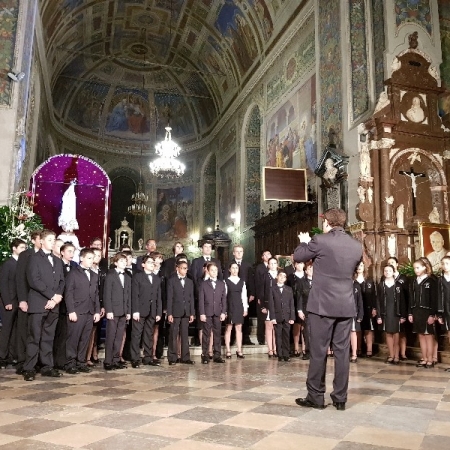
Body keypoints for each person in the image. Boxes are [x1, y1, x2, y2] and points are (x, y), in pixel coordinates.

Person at [294, 208, 362, 411]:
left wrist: (305, 241)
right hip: (345, 305)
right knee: (342, 353)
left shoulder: (320, 240)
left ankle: (316, 396)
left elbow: (298, 256)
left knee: (318, 351)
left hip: (322, 305)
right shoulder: (356, 246)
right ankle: (340, 398)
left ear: (328, 223)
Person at [22, 230, 65, 381]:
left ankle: (47, 366)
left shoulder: (58, 260)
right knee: (34, 337)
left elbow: (61, 281)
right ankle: (29, 368)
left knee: (48, 337)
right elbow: (34, 280)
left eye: (54, 240)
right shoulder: (33, 258)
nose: (53, 243)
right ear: (41, 241)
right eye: (50, 240)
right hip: (38, 303)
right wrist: (51, 295)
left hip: (53, 305)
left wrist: (56, 298)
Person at [64, 248, 101, 374]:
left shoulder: (95, 275)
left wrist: (96, 311)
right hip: (77, 311)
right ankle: (70, 363)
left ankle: (81, 362)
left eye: (93, 258)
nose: (92, 261)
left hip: (90, 311)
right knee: (73, 338)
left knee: (85, 338)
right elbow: (68, 293)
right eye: (89, 258)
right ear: (81, 258)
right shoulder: (73, 273)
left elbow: (96, 295)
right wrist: (71, 311)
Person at [15, 230, 41, 375]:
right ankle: (21, 361)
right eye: (39, 239)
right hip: (27, 299)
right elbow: (20, 279)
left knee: (35, 333)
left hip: (39, 301)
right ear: (34, 240)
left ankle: (34, 361)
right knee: (24, 331)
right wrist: (22, 300)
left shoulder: (45, 256)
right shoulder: (26, 255)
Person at [130, 255, 162, 368]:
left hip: (152, 310)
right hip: (140, 310)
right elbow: (135, 295)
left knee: (148, 335)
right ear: (143, 264)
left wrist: (158, 312)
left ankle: (148, 357)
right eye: (149, 262)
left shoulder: (157, 278)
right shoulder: (137, 277)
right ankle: (135, 358)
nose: (152, 264)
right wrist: (135, 311)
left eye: (153, 263)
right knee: (136, 335)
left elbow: (158, 296)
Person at [0, 238, 27, 369]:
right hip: (9, 302)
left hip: (19, 301)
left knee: (16, 329)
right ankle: (2, 357)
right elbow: (3, 284)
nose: (24, 250)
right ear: (14, 248)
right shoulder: (8, 264)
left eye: (25, 248)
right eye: (21, 247)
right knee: (6, 330)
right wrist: (7, 302)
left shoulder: (23, 263)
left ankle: (12, 355)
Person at [103, 252, 131, 370]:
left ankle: (116, 359)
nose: (123, 263)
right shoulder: (110, 276)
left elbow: (129, 296)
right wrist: (109, 310)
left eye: (125, 261)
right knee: (111, 336)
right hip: (113, 311)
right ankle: (108, 361)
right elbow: (107, 294)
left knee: (119, 336)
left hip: (123, 311)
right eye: (121, 261)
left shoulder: (128, 277)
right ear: (115, 263)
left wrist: (128, 311)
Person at [408, 258, 438, 368]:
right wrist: (410, 313)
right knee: (420, 335)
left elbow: (434, 299)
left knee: (428, 336)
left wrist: (432, 314)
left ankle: (430, 359)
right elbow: (411, 298)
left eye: (418, 268)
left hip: (427, 311)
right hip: (416, 311)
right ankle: (424, 358)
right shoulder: (414, 281)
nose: (416, 270)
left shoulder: (431, 281)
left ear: (425, 267)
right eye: (414, 268)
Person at [166, 260, 195, 365]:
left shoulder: (190, 281)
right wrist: (169, 313)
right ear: (177, 268)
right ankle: (172, 357)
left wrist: (192, 313)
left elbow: (191, 298)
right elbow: (170, 298)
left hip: (186, 311)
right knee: (173, 335)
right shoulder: (172, 281)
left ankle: (185, 357)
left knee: (185, 334)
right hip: (175, 311)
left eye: (186, 268)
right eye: (182, 268)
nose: (185, 270)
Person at [225, 244, 255, 345]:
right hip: (231, 295)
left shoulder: (248, 265)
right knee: (231, 320)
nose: (239, 253)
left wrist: (252, 293)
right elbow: (225, 280)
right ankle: (232, 340)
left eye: (241, 251)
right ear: (233, 253)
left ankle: (245, 338)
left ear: (243, 253)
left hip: (244, 294)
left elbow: (251, 280)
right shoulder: (228, 265)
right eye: (237, 251)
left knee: (244, 318)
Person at [376, 264, 406, 365]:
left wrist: (403, 316)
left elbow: (402, 301)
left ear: (393, 272)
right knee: (388, 333)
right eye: (385, 271)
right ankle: (391, 355)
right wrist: (379, 316)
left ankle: (397, 356)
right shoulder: (381, 285)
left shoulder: (398, 285)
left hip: (396, 313)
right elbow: (378, 301)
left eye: (389, 270)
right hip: (386, 313)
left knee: (396, 334)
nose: (387, 272)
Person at [54, 243, 77, 370]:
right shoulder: (57, 264)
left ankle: (64, 361)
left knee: (66, 334)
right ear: (62, 252)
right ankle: (55, 360)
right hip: (58, 303)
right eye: (69, 251)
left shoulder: (75, 266)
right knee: (57, 334)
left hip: (70, 304)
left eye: (73, 251)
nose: (72, 254)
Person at [198, 262, 226, 364]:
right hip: (207, 312)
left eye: (216, 270)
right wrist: (202, 313)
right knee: (206, 334)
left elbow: (224, 299)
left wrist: (223, 312)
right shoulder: (204, 284)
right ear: (208, 272)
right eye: (212, 270)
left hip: (218, 312)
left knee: (217, 334)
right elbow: (201, 300)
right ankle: (204, 354)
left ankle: (217, 355)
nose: (214, 272)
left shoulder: (221, 284)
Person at [386, 257, 409, 360]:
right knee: (391, 332)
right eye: (389, 263)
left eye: (392, 262)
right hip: (390, 310)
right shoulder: (385, 279)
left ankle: (402, 353)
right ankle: (393, 354)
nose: (391, 264)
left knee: (402, 332)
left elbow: (406, 295)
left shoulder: (402, 278)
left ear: (397, 264)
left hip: (402, 308)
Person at [86, 247, 106, 366]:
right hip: (87, 304)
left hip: (98, 303)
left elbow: (102, 290)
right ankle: (87, 356)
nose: (97, 258)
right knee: (88, 331)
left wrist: (102, 306)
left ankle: (93, 353)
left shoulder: (101, 271)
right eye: (95, 255)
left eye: (99, 256)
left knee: (95, 331)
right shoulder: (86, 270)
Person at [269, 271, 295, 362]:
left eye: (284, 276)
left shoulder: (289, 289)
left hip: (287, 316)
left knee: (286, 336)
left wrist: (292, 317)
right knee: (278, 335)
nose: (282, 278)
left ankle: (286, 354)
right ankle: (280, 354)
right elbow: (271, 305)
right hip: (277, 315)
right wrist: (272, 317)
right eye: (280, 276)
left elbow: (292, 303)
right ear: (277, 277)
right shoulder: (272, 289)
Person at [224, 262, 248, 359]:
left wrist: (245, 308)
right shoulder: (226, 281)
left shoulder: (242, 282)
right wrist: (224, 310)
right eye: (233, 268)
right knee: (228, 328)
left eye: (236, 268)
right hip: (229, 306)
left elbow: (244, 296)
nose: (234, 270)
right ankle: (228, 350)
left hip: (239, 306)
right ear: (229, 270)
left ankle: (239, 350)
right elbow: (224, 296)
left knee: (239, 328)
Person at [355, 261, 377, 358]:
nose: (359, 267)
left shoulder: (369, 281)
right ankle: (358, 349)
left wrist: (374, 308)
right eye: (358, 266)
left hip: (367, 307)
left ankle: (369, 349)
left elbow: (373, 295)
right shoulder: (353, 280)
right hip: (356, 308)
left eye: (361, 265)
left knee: (368, 329)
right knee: (357, 329)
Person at [259, 257, 279, 357]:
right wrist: (262, 306)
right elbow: (261, 291)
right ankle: (270, 349)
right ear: (268, 265)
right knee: (269, 326)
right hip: (267, 303)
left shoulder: (280, 276)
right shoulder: (264, 276)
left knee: (276, 327)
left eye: (275, 263)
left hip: (278, 305)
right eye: (271, 263)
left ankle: (276, 348)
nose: (273, 265)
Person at [287, 260, 305, 358]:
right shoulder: (291, 277)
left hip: (305, 304)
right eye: (298, 264)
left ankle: (304, 348)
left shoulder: (306, 276)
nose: (300, 265)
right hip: (294, 303)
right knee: (296, 327)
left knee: (304, 327)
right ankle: (296, 348)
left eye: (301, 263)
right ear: (295, 265)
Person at [254, 250, 272, 345]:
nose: (268, 256)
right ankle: (261, 338)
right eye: (265, 254)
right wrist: (258, 296)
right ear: (262, 257)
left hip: (271, 296)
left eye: (269, 254)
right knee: (262, 318)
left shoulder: (273, 267)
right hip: (261, 295)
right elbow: (257, 282)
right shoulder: (259, 268)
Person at [437, 256, 450, 372]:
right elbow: (439, 297)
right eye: (443, 263)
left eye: (447, 263)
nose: (445, 266)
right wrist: (440, 314)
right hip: (447, 311)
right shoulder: (440, 280)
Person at [350, 281, 363, 363]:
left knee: (353, 332)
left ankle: (354, 354)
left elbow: (359, 301)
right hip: (342, 312)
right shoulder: (342, 283)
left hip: (353, 312)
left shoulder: (356, 285)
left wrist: (360, 314)